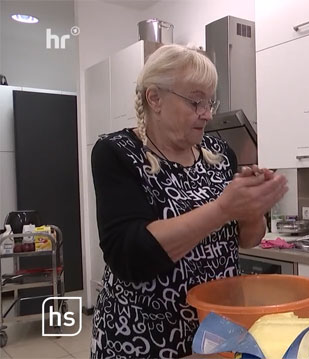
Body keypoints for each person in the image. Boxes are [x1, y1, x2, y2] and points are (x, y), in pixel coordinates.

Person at [89, 44, 287, 358]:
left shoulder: (220, 155)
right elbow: (130, 256)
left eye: (210, 101)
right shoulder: (117, 152)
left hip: (217, 330)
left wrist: (252, 208)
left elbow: (246, 239)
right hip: (145, 337)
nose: (207, 113)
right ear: (154, 98)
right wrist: (223, 208)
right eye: (196, 101)